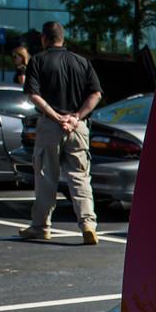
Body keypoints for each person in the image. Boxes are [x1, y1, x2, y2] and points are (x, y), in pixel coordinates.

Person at [19, 21, 103, 244]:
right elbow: (96, 94)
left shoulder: (38, 60)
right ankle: (88, 224)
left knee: (46, 177)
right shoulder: (82, 62)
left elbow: (33, 95)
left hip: (50, 126)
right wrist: (76, 117)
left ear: (44, 39)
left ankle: (41, 226)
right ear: (63, 38)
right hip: (78, 127)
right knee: (80, 177)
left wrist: (56, 116)